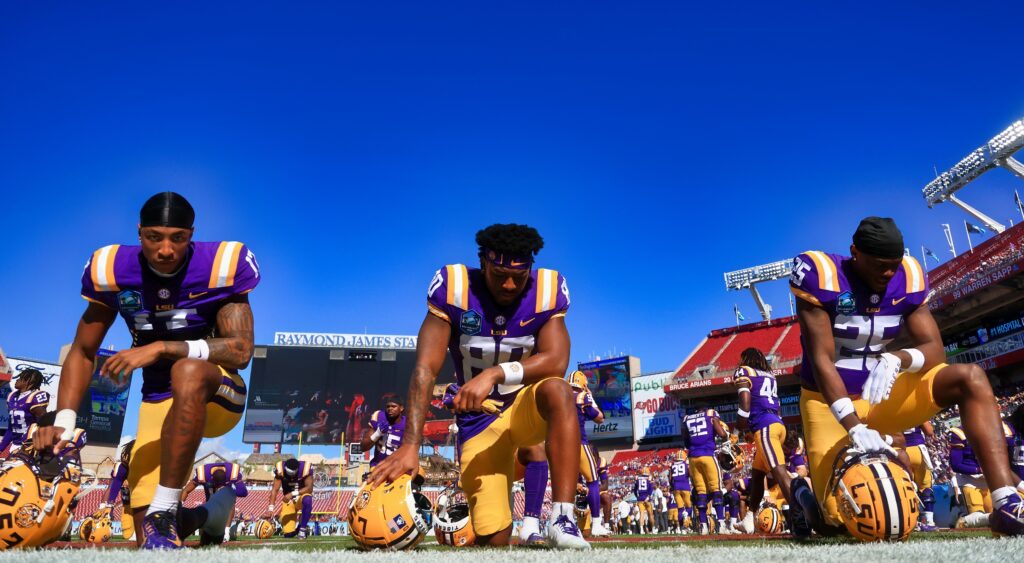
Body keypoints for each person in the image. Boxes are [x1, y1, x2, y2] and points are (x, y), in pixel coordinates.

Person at [35, 192, 258, 548]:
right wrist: (63, 421)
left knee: (187, 369)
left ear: (192, 234)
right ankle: (211, 513)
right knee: (150, 541)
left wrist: (161, 347)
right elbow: (82, 350)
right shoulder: (111, 269)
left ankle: (165, 508)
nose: (166, 249)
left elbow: (241, 350)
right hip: (158, 399)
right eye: (154, 237)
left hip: (217, 390)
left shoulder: (220, 265)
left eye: (178, 238)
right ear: (139, 233)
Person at [790, 216, 1024, 537]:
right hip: (828, 403)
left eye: (894, 265)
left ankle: (1006, 504)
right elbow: (821, 358)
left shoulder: (909, 275)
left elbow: (934, 350)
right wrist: (853, 424)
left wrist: (898, 358)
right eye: (879, 265)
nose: (888, 273)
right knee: (834, 521)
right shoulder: (823, 275)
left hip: (881, 394)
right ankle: (803, 493)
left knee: (970, 377)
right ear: (854, 252)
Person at [370, 223, 589, 549]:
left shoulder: (546, 289)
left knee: (558, 389)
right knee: (494, 539)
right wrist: (410, 445)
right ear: (483, 263)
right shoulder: (455, 286)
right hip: (479, 423)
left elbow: (557, 360)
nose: (511, 284)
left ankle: (562, 518)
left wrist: (494, 374)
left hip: (522, 406)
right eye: (500, 274)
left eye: (519, 274)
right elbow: (425, 369)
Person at [733, 348, 800, 533]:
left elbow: (745, 405)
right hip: (776, 425)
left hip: (765, 428)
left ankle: (800, 516)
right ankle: (749, 518)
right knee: (757, 476)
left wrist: (737, 431)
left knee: (780, 472)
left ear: (745, 359)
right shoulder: (769, 375)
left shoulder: (744, 371)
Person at [569, 371, 610, 536]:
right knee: (593, 481)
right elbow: (600, 418)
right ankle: (596, 524)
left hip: (557, 445)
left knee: (564, 484)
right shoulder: (583, 396)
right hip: (578, 442)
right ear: (583, 383)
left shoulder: (559, 394)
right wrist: (591, 398)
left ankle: (562, 523)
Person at [681, 407, 727, 534]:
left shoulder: (686, 418)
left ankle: (703, 526)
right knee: (716, 490)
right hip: (707, 454)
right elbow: (722, 434)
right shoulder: (711, 413)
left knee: (701, 492)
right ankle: (721, 524)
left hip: (693, 458)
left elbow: (685, 440)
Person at [0, 369, 49, 456]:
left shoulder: (34, 397)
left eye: (21, 378)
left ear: (30, 382)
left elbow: (44, 423)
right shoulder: (12, 397)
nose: (17, 380)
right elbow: (11, 428)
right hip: (15, 445)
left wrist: (30, 444)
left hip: (30, 446)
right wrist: (1, 448)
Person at [902, 423, 937, 531]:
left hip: (901, 451)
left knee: (907, 488)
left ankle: (913, 522)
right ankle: (929, 521)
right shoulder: (914, 409)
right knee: (925, 486)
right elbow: (929, 431)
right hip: (917, 449)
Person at [267, 458, 314, 538]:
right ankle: (297, 529)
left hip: (300, 498)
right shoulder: (280, 469)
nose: (290, 476)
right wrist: (271, 509)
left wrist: (292, 494)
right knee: (288, 534)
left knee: (308, 499)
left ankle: (302, 529)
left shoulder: (305, 468)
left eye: (292, 474)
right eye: (288, 474)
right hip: (289, 502)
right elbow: (275, 489)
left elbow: (309, 488)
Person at [360, 397, 406, 469]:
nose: (390, 409)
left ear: (401, 408)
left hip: (397, 469)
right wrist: (377, 433)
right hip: (377, 466)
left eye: (393, 406)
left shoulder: (407, 424)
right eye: (388, 406)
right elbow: (363, 447)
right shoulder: (379, 417)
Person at [669, 449, 692, 532]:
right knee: (689, 507)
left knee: (680, 508)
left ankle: (682, 528)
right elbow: (690, 474)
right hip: (685, 486)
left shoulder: (672, 465)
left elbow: (670, 478)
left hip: (676, 488)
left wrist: (672, 486)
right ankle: (686, 522)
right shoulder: (685, 464)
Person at [633, 467, 654, 533]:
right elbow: (651, 489)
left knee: (641, 513)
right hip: (647, 498)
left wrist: (637, 497)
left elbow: (635, 491)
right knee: (650, 514)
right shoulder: (649, 479)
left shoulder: (637, 480)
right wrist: (648, 496)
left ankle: (641, 529)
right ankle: (653, 529)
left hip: (640, 499)